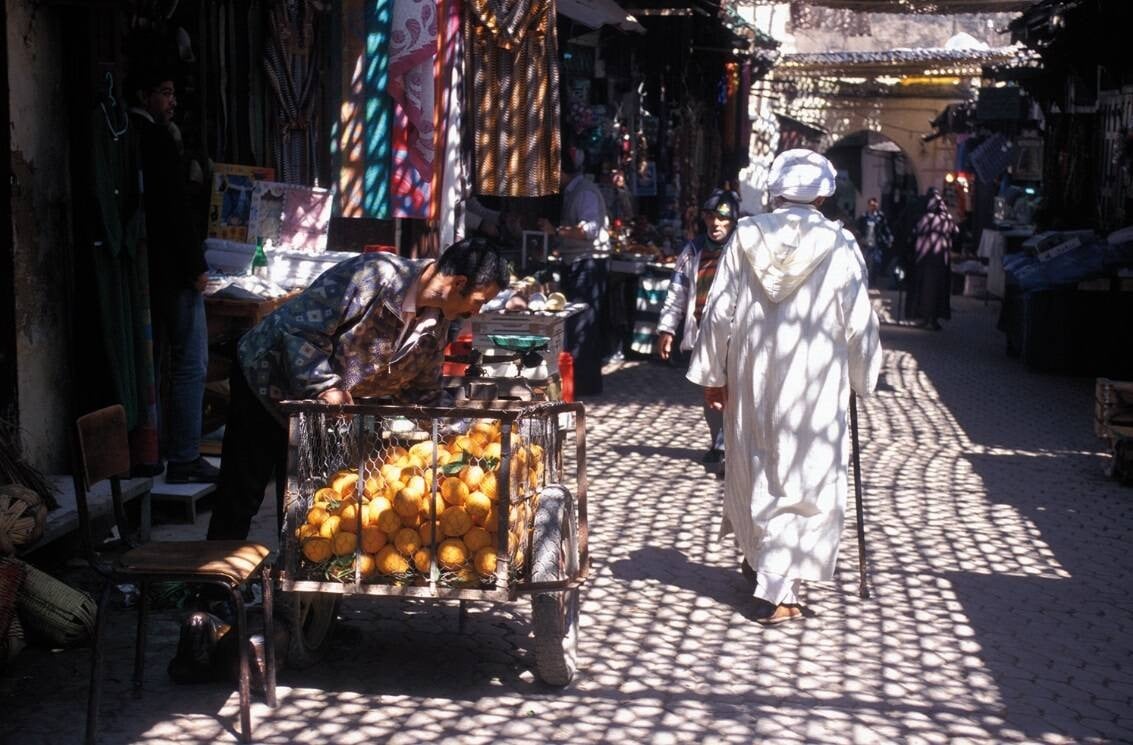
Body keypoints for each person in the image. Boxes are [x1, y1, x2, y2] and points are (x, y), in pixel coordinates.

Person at [686, 149, 882, 625]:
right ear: (823, 193)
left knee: (756, 462)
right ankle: (778, 591)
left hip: (753, 375)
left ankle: (760, 562)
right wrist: (863, 378)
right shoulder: (840, 246)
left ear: (775, 192)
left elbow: (717, 314)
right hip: (814, 380)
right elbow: (860, 325)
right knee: (803, 476)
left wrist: (713, 375)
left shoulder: (746, 236)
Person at [206, 238, 509, 540]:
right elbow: (300, 331)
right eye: (480, 302)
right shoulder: (373, 275)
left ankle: (288, 584)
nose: (477, 312)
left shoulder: (437, 325)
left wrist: (468, 432)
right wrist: (326, 385)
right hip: (266, 381)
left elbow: (420, 393)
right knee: (241, 495)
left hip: (317, 413)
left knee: (306, 507)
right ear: (459, 283)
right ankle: (216, 587)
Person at [128, 68, 219, 483]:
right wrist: (196, 267)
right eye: (164, 92)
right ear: (144, 95)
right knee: (191, 363)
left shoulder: (128, 135)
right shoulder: (155, 138)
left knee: (160, 362)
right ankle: (183, 455)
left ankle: (159, 450)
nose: (172, 102)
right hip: (173, 271)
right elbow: (175, 212)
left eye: (172, 93)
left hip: (149, 271)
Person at [656, 189, 740, 472]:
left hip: (737, 333)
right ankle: (718, 443)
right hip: (704, 332)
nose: (715, 224)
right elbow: (677, 290)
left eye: (722, 218)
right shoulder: (693, 250)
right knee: (711, 391)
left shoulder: (744, 249)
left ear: (733, 221)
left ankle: (731, 445)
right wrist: (667, 328)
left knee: (736, 392)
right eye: (710, 217)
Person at [537, 146, 611, 259]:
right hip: (577, 259)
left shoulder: (584, 192)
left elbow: (590, 230)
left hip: (587, 260)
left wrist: (556, 231)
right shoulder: (571, 191)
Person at [905, 188, 958, 331]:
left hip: (924, 261)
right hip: (941, 262)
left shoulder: (925, 218)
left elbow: (915, 232)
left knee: (925, 290)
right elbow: (956, 233)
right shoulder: (947, 219)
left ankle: (926, 318)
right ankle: (932, 319)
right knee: (938, 290)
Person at [856, 197, 892, 286]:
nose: (872, 207)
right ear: (868, 206)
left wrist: (889, 238)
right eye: (871, 205)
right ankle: (863, 282)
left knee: (876, 263)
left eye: (874, 205)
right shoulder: (864, 217)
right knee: (864, 263)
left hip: (876, 244)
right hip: (866, 244)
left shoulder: (880, 217)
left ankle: (872, 283)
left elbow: (885, 228)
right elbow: (858, 228)